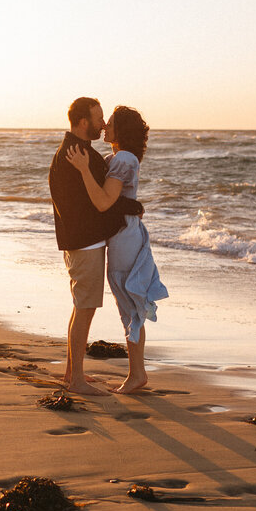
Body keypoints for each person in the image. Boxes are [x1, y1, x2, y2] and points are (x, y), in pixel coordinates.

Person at [65, 105, 167, 394]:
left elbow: (103, 202)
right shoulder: (119, 157)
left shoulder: (122, 158)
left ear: (120, 130)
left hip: (124, 239)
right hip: (124, 235)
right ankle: (137, 373)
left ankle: (137, 374)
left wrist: (83, 169)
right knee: (129, 302)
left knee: (129, 304)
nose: (104, 126)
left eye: (109, 123)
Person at [48, 97, 143, 396]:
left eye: (107, 120)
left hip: (81, 242)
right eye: (99, 119)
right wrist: (134, 205)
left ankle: (71, 374)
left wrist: (130, 205)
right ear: (84, 122)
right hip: (84, 243)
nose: (103, 124)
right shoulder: (77, 154)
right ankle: (76, 379)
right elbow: (99, 204)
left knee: (81, 308)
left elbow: (98, 199)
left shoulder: (81, 151)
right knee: (85, 308)